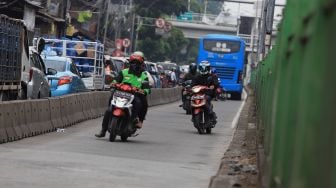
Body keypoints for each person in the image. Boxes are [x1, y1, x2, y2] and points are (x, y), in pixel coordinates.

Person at [95, 51, 150, 138]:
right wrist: (114, 83)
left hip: (134, 95)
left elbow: (147, 88)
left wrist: (143, 91)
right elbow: (115, 80)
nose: (134, 65)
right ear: (130, 63)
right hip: (120, 93)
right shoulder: (124, 72)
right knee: (109, 110)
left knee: (140, 103)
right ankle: (103, 130)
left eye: (137, 63)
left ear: (142, 63)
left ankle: (134, 121)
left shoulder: (143, 76)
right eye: (133, 62)